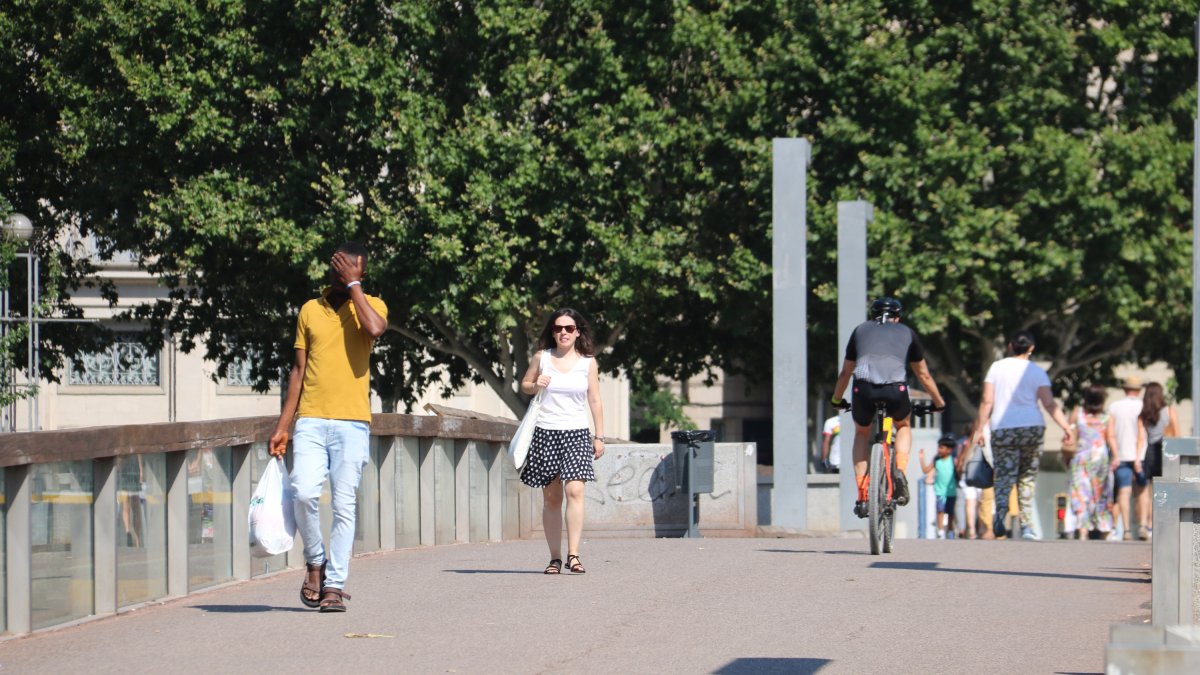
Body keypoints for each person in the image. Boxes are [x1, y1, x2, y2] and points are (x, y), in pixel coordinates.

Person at [268, 242, 388, 612]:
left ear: (362, 274)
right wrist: (283, 425)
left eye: (356, 270)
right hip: (311, 419)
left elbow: (376, 329)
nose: (349, 273)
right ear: (331, 269)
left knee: (344, 505)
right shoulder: (309, 310)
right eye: (343, 268)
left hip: (353, 422)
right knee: (303, 492)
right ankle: (315, 560)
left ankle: (334, 585)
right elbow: (298, 371)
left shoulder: (371, 305)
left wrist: (356, 289)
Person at [831, 297, 946, 519]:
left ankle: (863, 495)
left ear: (872, 315)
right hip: (896, 389)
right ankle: (900, 470)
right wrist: (939, 402)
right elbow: (923, 374)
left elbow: (846, 373)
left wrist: (836, 400)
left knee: (862, 432)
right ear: (898, 317)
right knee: (903, 425)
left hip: (863, 389)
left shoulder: (859, 331)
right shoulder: (906, 332)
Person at [519, 308, 605, 575]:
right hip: (546, 432)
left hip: (577, 433)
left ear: (577, 331)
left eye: (569, 328)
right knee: (553, 498)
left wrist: (599, 436)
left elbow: (594, 399)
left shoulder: (588, 362)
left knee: (575, 491)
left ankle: (574, 555)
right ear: (552, 332)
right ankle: (555, 558)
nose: (564, 333)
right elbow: (524, 384)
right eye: (558, 328)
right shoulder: (541, 358)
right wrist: (536, 385)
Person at [971, 330, 1073, 540]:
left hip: (1003, 428)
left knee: (1004, 475)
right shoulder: (1037, 372)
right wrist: (1066, 427)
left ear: (1010, 346)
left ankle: (1000, 514)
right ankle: (1027, 526)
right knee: (1027, 477)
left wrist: (979, 429)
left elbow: (987, 401)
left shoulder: (996, 368)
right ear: (1031, 348)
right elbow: (1049, 403)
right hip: (1032, 427)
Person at [1063, 384, 1114, 540]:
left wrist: (1066, 454)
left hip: (1081, 458)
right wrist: (1117, 456)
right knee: (1101, 494)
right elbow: (1110, 438)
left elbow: (1069, 436)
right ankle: (1105, 529)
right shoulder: (1107, 417)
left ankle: (1083, 529)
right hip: (1100, 459)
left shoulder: (1078, 414)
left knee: (1080, 493)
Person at [1109, 375, 1148, 540]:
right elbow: (1141, 434)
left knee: (1123, 493)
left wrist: (1115, 455)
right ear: (1139, 390)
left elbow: (1110, 434)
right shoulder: (1143, 406)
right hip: (1141, 455)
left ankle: (1126, 529)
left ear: (1125, 389)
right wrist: (1138, 457)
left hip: (1122, 455)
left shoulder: (1115, 407)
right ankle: (1143, 526)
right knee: (1142, 491)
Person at [1138, 381, 1179, 483]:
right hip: (1168, 451)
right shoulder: (1170, 411)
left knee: (1154, 491)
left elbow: (1140, 439)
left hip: (1151, 452)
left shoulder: (1143, 415)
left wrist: (1137, 459)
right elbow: (1177, 435)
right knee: (1169, 487)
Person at [919, 436, 959, 539]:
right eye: (939, 447)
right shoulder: (937, 460)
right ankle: (941, 531)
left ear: (949, 450)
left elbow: (959, 471)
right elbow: (925, 470)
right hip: (939, 491)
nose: (938, 450)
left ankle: (950, 531)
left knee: (950, 513)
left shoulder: (953, 461)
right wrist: (922, 458)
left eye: (941, 447)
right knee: (940, 511)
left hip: (951, 492)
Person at [953, 422, 981, 539]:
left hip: (967, 473)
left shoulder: (965, 443)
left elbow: (959, 460)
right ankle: (979, 528)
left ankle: (972, 530)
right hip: (981, 473)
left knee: (970, 502)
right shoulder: (982, 441)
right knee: (979, 503)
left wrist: (959, 470)